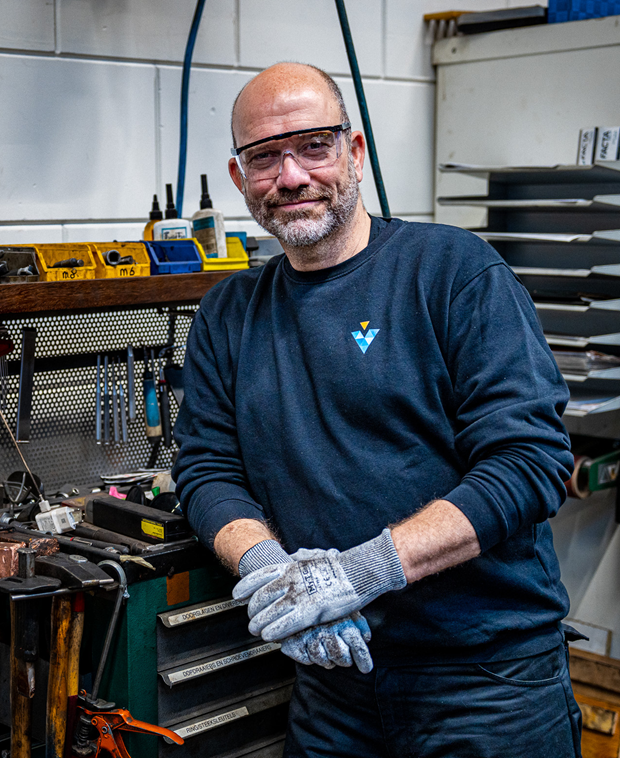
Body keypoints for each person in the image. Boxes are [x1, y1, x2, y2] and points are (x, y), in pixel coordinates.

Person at [172, 61, 583, 757]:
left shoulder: (455, 274)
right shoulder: (227, 316)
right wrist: (271, 568)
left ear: (354, 153)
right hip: (330, 685)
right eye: (265, 157)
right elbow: (208, 469)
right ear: (240, 180)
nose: (293, 176)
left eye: (314, 146)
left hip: (488, 683)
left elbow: (530, 462)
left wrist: (363, 571)